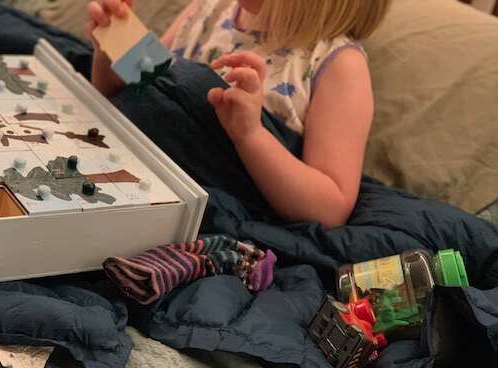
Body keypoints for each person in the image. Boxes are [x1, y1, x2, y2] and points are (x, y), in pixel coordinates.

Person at [87, 0, 391, 228]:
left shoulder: (338, 65)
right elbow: (133, 95)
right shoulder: (209, 8)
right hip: (128, 169)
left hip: (209, 208)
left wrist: (251, 136)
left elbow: (331, 207)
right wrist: (110, 49)